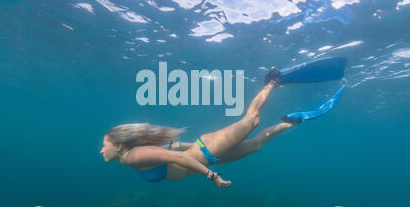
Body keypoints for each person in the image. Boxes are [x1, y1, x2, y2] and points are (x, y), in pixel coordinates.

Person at [100, 78, 294, 188]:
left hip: (208, 153)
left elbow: (175, 157)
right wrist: (197, 146)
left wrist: (212, 176)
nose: (101, 151)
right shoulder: (129, 157)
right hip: (208, 153)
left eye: (104, 146)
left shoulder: (134, 156)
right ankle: (289, 123)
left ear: (118, 146)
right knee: (256, 145)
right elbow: (174, 147)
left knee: (251, 120)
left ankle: (273, 81)